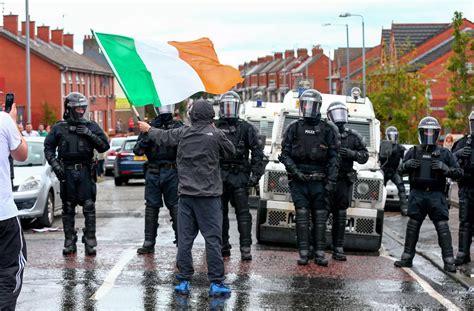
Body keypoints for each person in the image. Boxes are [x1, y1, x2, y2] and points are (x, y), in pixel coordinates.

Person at [138, 100, 235, 297]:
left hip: (186, 197)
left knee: (185, 240)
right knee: (213, 241)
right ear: (210, 116)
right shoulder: (215, 135)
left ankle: (183, 281)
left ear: (192, 115)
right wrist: (215, 131)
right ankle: (216, 283)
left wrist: (148, 128)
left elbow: (163, 137)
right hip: (209, 197)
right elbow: (231, 152)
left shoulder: (183, 133)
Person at [278, 89, 340, 266]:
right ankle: (304, 252)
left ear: (319, 107)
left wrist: (330, 182)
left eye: (312, 105)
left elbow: (335, 158)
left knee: (320, 218)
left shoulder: (328, 129)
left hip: (319, 181)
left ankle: (320, 252)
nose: (308, 108)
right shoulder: (294, 128)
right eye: (305, 104)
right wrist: (294, 171)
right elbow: (285, 153)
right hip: (299, 180)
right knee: (303, 217)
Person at [44, 92, 109, 256]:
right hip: (66, 172)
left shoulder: (91, 126)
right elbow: (48, 148)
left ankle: (90, 239)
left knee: (88, 206)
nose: (81, 111)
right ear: (69, 108)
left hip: (85, 171)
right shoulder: (59, 127)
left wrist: (90, 134)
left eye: (83, 108)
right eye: (77, 108)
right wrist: (55, 165)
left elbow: (104, 146)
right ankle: (69, 240)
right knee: (68, 207)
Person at [394, 116, 462, 272]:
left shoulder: (444, 153)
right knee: (413, 226)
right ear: (421, 133)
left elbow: (458, 173)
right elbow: (399, 170)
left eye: (432, 133)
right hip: (417, 194)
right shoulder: (413, 151)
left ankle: (449, 261)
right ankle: (407, 257)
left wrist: (445, 168)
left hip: (436, 195)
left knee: (442, 227)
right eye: (426, 132)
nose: (429, 136)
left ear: (437, 134)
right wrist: (407, 165)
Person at [215, 91, 264, 261]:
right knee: (219, 213)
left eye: (232, 106)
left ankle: (245, 247)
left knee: (243, 213)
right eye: (225, 106)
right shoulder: (214, 127)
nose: (228, 110)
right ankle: (223, 246)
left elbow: (258, 152)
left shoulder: (246, 127)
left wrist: (255, 175)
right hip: (219, 175)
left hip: (239, 175)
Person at [133, 104, 183, 254]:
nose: (164, 109)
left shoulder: (178, 126)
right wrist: (146, 138)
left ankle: (181, 240)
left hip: (172, 171)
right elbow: (137, 150)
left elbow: (185, 147)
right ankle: (149, 241)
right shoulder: (149, 126)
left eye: (167, 106)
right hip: (153, 172)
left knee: (176, 207)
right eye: (161, 106)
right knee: (151, 208)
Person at [326, 101, 368, 261]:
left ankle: (338, 247)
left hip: (344, 181)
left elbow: (364, 156)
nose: (339, 118)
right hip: (327, 180)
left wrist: (351, 154)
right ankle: (316, 248)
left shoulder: (352, 136)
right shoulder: (324, 133)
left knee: (341, 214)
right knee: (320, 214)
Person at [0, 103, 28, 310]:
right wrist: (13, 121)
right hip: (3, 214)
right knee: (9, 271)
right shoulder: (3, 120)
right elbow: (21, 154)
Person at [452, 111, 474, 265]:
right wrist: (458, 154)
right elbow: (449, 165)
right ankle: (463, 253)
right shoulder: (461, 143)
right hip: (466, 187)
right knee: (465, 221)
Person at [379, 126, 408, 216]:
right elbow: (379, 158)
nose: (392, 138)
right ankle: (378, 208)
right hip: (384, 169)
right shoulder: (382, 145)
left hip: (394, 170)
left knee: (401, 187)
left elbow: (405, 160)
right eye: (391, 136)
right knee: (380, 188)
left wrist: (403, 167)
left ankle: (404, 208)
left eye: (394, 136)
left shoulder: (400, 147)